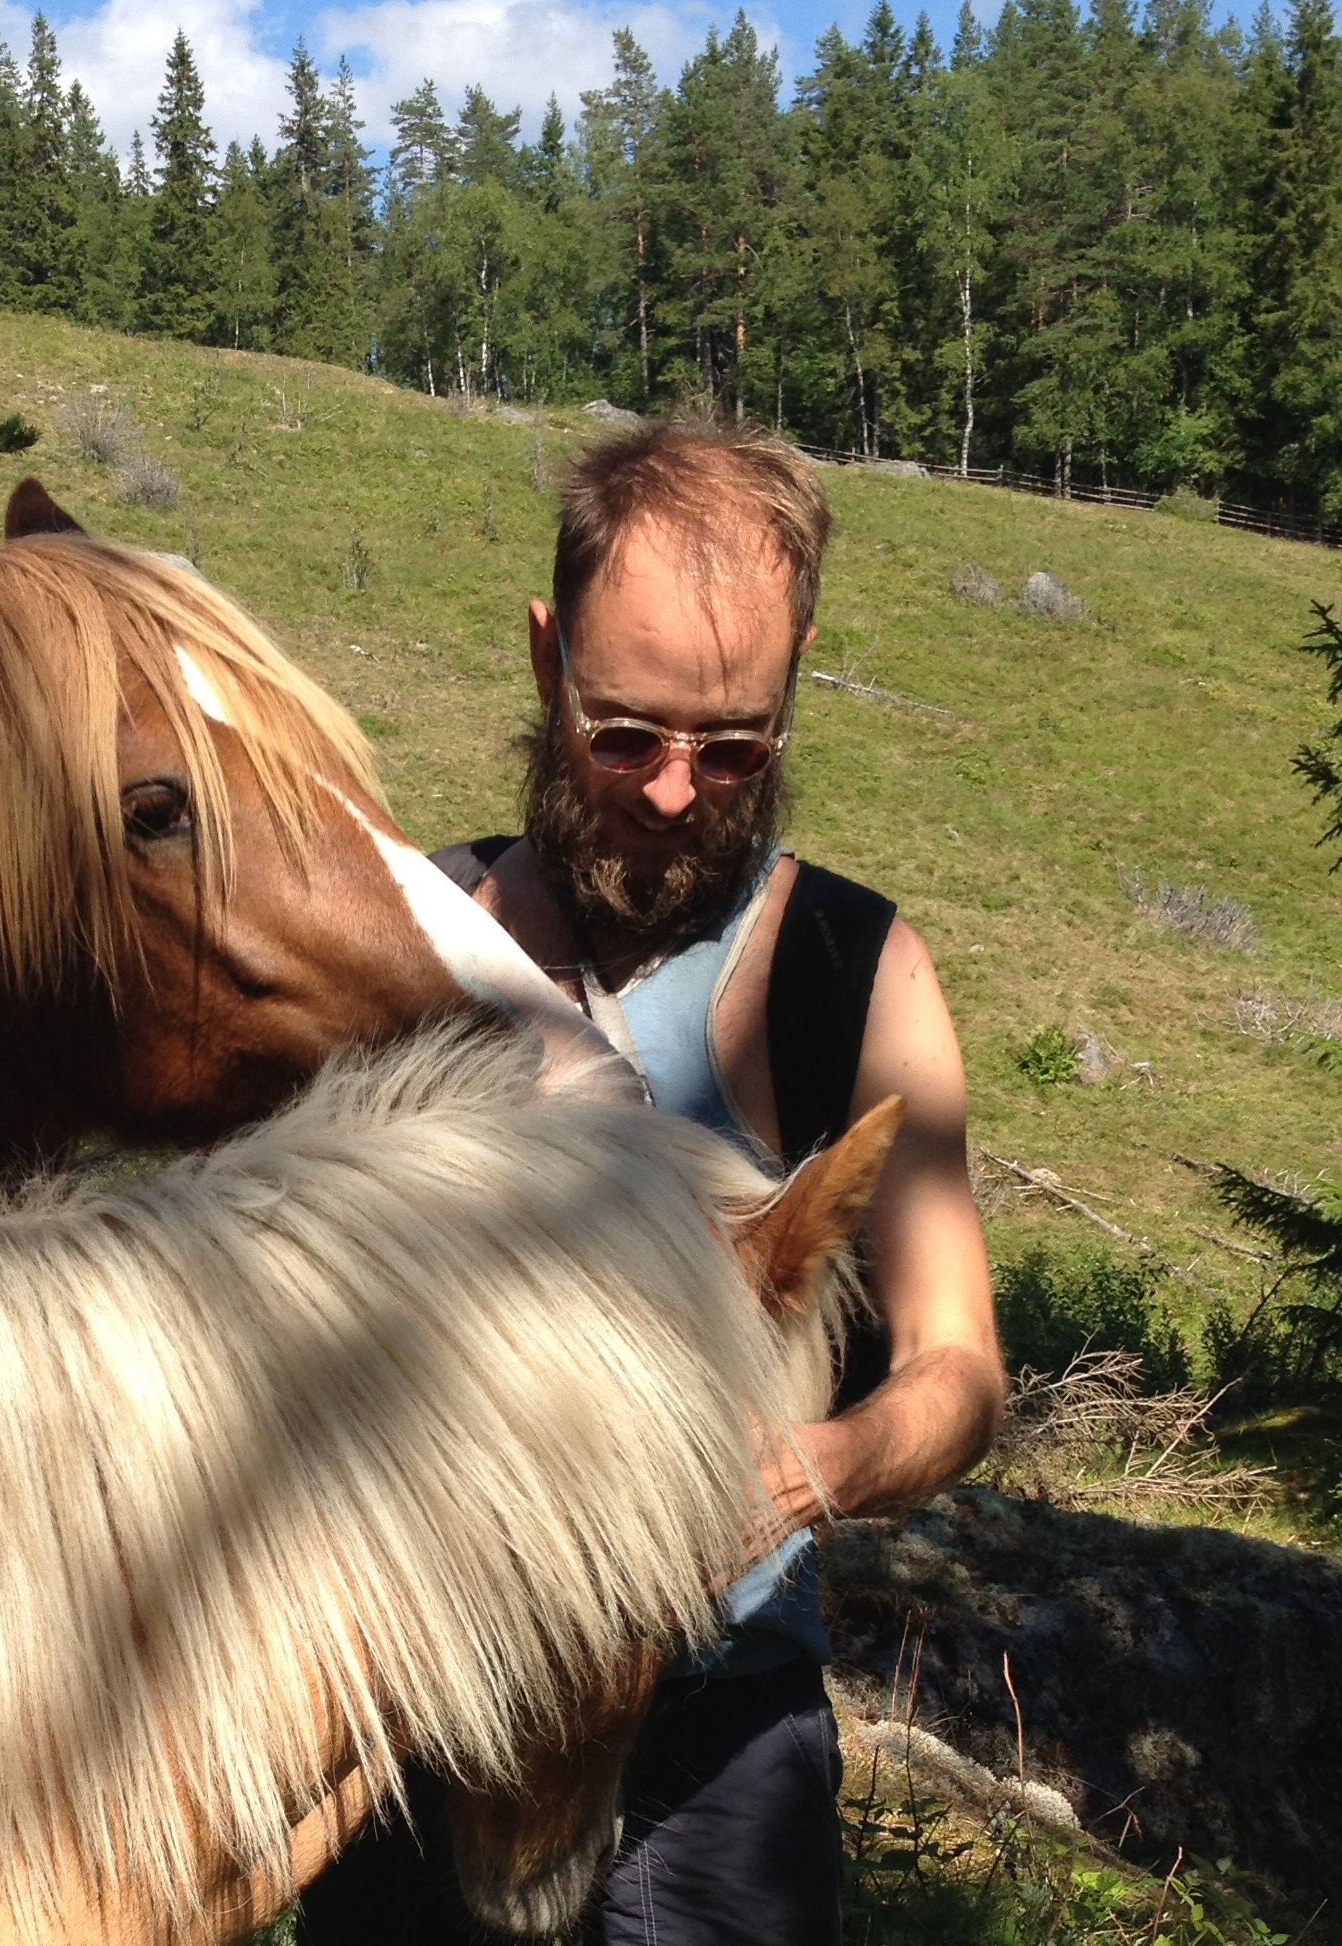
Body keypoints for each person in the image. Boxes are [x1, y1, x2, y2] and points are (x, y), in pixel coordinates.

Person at [297, 417, 1004, 1946]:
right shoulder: (402, 946)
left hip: (714, 1737)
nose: (678, 793)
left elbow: (961, 1371)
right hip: (419, 1710)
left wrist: (802, 1471)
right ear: (545, 657)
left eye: (734, 745)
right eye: (625, 735)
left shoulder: (852, 971)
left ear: (797, 668)